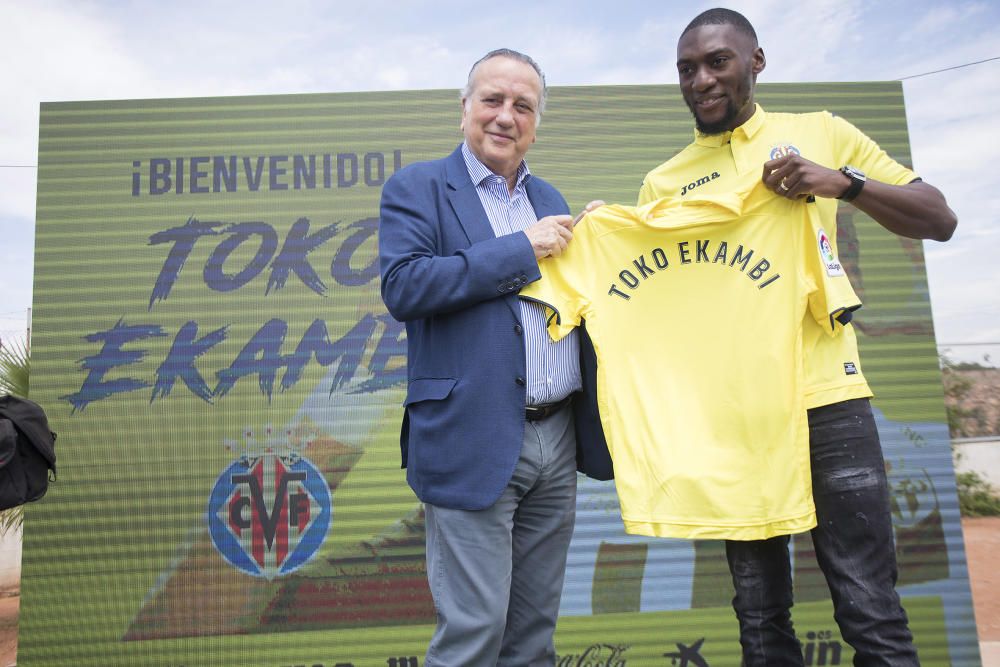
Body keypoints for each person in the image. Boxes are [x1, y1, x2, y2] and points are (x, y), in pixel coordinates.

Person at [638, 8, 957, 666]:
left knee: (869, 602)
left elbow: (939, 216)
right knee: (758, 617)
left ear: (756, 61)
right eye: (687, 69)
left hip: (831, 401)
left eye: (717, 61)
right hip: (736, 419)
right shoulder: (662, 185)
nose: (701, 79)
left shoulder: (820, 134)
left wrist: (840, 182)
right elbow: (658, 308)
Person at [378, 48, 608, 666]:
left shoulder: (551, 195)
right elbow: (405, 287)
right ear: (464, 109)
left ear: (536, 121)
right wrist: (520, 249)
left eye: (522, 105)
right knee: (474, 635)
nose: (506, 116)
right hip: (471, 434)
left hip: (556, 439)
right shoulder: (418, 187)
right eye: (493, 100)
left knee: (532, 639)